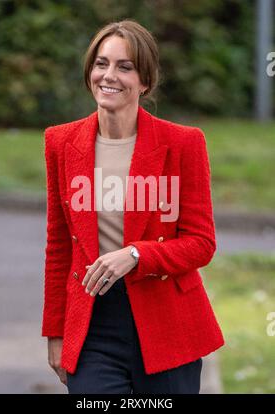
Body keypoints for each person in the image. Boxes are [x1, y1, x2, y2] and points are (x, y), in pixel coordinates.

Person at [42, 19, 225, 394]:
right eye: (101, 63)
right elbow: (59, 246)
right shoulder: (60, 142)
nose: (109, 75)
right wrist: (56, 334)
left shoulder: (183, 144)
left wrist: (138, 255)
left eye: (125, 67)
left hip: (167, 327)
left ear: (145, 81)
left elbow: (201, 243)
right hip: (93, 325)